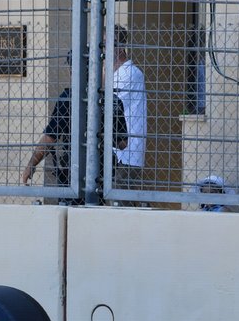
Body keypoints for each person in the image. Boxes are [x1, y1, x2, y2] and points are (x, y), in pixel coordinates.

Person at [21, 58, 129, 199]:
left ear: (74, 72)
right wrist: (104, 132)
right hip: (102, 173)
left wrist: (31, 164)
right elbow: (122, 144)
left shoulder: (68, 99)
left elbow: (50, 138)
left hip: (73, 172)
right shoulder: (113, 101)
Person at [111, 25, 147, 190]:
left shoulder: (130, 74)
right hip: (113, 154)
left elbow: (105, 103)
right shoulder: (115, 74)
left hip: (126, 156)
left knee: (119, 206)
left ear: (118, 47)